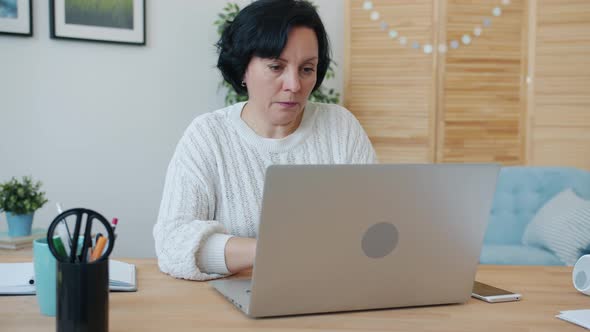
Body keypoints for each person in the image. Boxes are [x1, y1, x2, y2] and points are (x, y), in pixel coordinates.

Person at [153, 0, 377, 281]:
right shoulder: (207, 136)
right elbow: (173, 242)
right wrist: (272, 252)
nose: (294, 85)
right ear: (243, 68)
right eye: (276, 67)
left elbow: (372, 226)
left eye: (307, 69)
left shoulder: (341, 127)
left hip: (330, 287)